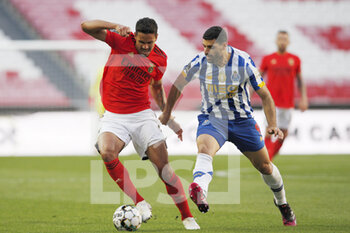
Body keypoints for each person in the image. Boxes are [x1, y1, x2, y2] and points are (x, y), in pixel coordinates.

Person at [159, 26, 296, 226]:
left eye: (210, 47)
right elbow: (178, 85)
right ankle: (200, 190)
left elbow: (265, 95)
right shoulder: (199, 61)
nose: (205, 51)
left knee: (265, 166)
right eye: (204, 46)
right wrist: (167, 112)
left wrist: (272, 124)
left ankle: (282, 203)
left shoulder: (243, 62)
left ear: (224, 45)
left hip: (242, 121)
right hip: (213, 119)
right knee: (204, 148)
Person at [81, 18, 200, 230]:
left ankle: (187, 217)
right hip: (114, 116)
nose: (145, 47)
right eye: (141, 42)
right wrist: (115, 26)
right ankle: (140, 202)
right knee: (107, 152)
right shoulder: (120, 41)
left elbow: (155, 87)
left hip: (142, 116)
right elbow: (85, 26)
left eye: (149, 43)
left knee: (164, 169)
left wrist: (168, 115)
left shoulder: (160, 58)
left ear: (156, 39)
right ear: (135, 36)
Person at [260, 31, 308, 161]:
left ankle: (269, 158)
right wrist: (250, 93)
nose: (282, 41)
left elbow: (300, 80)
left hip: (287, 102)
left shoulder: (295, 59)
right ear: (276, 41)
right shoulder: (268, 59)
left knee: (284, 133)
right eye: (280, 38)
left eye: (284, 39)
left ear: (288, 42)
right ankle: (266, 160)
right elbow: (258, 78)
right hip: (271, 101)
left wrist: (303, 98)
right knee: (269, 130)